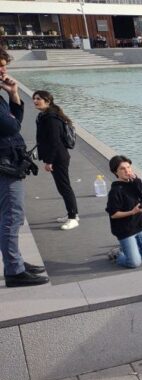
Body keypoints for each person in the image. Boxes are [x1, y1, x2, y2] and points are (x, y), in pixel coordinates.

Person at [0, 48, 48, 287]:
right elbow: (11, 126)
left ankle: (15, 261)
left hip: (9, 163)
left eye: (4, 66)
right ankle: (14, 271)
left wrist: (14, 94)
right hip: (5, 166)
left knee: (11, 216)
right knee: (12, 217)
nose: (3, 71)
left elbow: (14, 121)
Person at [32, 90, 79, 231]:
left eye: (38, 98)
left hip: (58, 157)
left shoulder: (51, 118)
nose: (35, 101)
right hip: (57, 156)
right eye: (34, 98)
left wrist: (49, 161)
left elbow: (55, 141)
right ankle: (71, 213)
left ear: (48, 101)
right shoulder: (46, 115)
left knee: (64, 186)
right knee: (62, 186)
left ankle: (73, 217)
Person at [105, 155, 142, 268]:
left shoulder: (135, 184)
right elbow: (113, 214)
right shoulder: (115, 191)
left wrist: (137, 181)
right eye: (122, 168)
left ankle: (131, 251)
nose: (127, 171)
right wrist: (132, 212)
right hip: (125, 230)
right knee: (134, 263)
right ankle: (118, 255)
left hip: (140, 226)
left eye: (129, 167)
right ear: (115, 172)